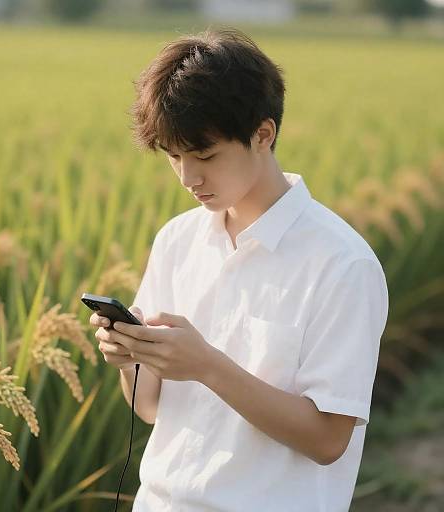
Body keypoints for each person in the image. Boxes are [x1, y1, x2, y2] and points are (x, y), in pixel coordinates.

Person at [90, 27, 389, 512]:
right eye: (174, 158)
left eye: (205, 156)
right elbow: (150, 408)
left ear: (263, 134)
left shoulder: (342, 265)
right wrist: (131, 357)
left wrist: (207, 365)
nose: (188, 178)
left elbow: (328, 440)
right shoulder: (177, 240)